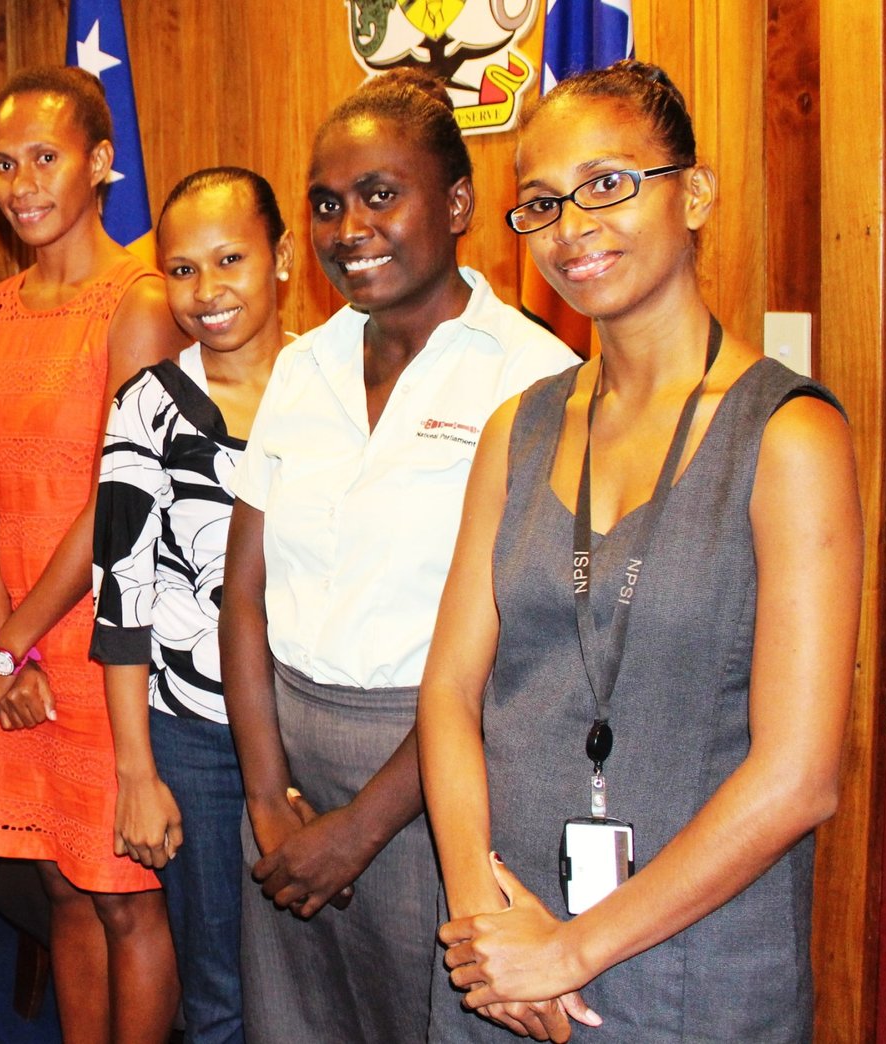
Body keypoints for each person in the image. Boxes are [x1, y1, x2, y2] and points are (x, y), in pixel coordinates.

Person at [420, 60, 861, 1043]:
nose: (573, 226)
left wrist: (567, 952)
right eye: (541, 203)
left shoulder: (785, 436)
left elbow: (799, 774)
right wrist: (483, 927)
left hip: (696, 977)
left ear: (692, 193)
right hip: (502, 962)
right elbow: (450, 692)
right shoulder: (517, 429)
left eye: (608, 184)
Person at [217, 70, 576, 1042]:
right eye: (327, 204)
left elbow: (514, 655)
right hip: (288, 773)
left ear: (457, 203)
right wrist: (265, 798)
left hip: (440, 787)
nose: (348, 227)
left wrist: (364, 826)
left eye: (381, 194)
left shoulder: (534, 377)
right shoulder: (303, 363)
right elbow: (241, 593)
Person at [0, 66, 187, 1043]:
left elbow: (116, 499)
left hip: (105, 653)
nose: (21, 184)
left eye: (44, 157)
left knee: (125, 896)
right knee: (56, 888)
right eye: (3, 164)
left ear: (101, 163)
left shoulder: (138, 301)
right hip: (17, 659)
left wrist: (11, 644)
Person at [90, 167, 293, 1044]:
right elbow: (122, 598)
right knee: (218, 994)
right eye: (181, 269)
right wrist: (137, 774)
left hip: (325, 731)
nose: (206, 292)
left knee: (331, 980)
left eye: (230, 259)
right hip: (196, 739)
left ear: (282, 258)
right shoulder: (146, 406)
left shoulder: (342, 387)